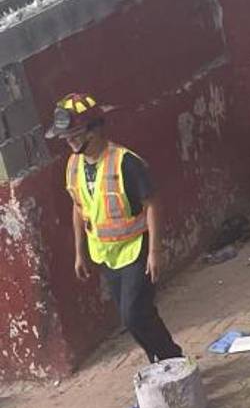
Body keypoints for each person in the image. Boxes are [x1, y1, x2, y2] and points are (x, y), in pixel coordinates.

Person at [47, 93, 184, 364]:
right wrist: (79, 252)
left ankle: (173, 359)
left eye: (75, 133)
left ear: (95, 129)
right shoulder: (73, 165)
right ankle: (159, 362)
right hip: (105, 254)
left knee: (133, 316)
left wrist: (155, 251)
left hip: (135, 249)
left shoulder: (126, 162)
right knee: (137, 315)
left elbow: (152, 204)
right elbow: (78, 207)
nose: (70, 141)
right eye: (66, 136)